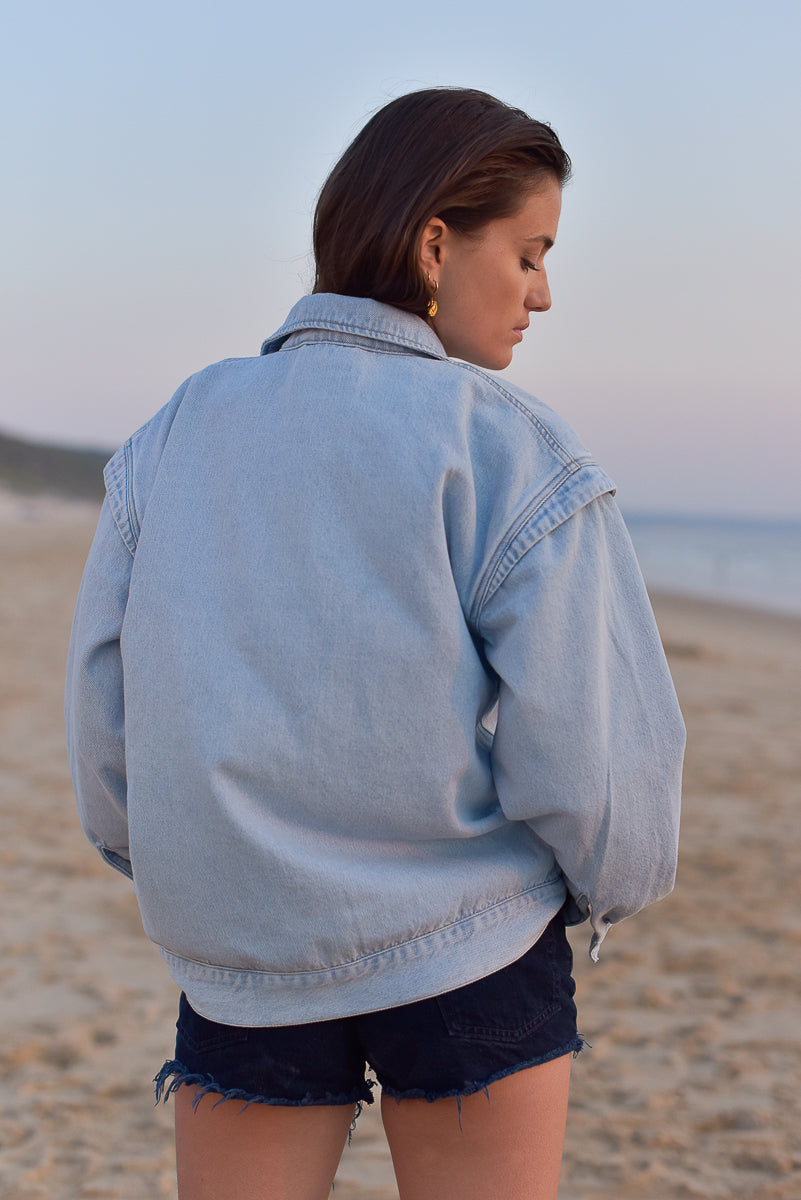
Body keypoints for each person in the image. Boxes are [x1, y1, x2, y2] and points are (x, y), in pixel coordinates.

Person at [65, 87, 685, 1200]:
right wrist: (602, 886)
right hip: (470, 946)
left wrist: (180, 863)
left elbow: (109, 713)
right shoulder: (505, 440)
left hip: (243, 949)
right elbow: (593, 762)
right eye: (532, 252)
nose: (545, 292)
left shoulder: (177, 431)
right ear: (436, 242)